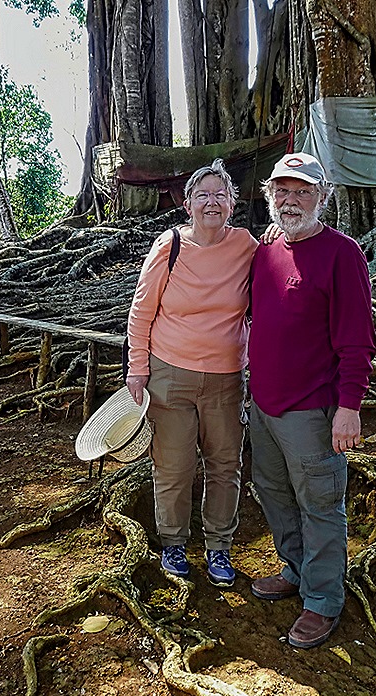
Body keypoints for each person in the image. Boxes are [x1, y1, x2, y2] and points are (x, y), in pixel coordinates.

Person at [247, 152, 376, 648]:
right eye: (282, 190)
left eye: (302, 191)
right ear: (270, 197)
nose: (291, 199)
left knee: (321, 503)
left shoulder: (342, 254)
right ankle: (296, 570)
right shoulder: (266, 250)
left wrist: (349, 407)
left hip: (314, 408)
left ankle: (322, 600)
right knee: (274, 493)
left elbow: (357, 340)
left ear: (323, 197)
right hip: (263, 405)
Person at [125, 159, 258, 588]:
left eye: (221, 195)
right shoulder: (170, 246)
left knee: (225, 465)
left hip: (225, 378)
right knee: (174, 465)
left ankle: (219, 547)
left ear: (232, 204)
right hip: (170, 374)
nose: (211, 202)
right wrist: (137, 369)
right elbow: (141, 312)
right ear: (188, 204)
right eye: (203, 195)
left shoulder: (247, 247)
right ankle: (173, 542)